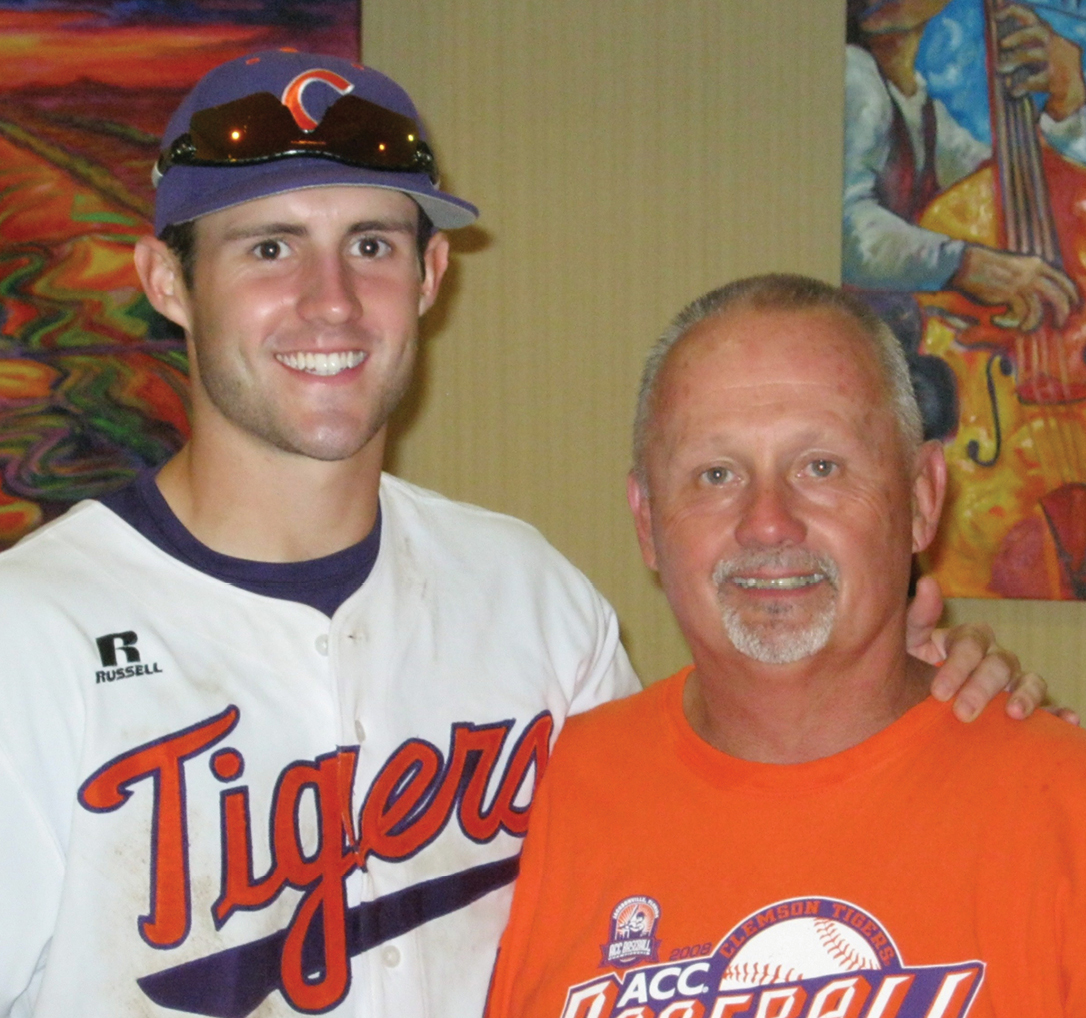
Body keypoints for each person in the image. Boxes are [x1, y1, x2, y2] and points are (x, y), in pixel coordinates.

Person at [0, 50, 1052, 1018]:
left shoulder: (530, 595)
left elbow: (690, 848)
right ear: (166, 280)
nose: (331, 301)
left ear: (430, 277)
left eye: (371, 244)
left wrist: (915, 696)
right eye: (269, 246)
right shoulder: (32, 634)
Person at [484, 275, 1086, 1018]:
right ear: (646, 522)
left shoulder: (1061, 805)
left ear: (923, 498)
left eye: (821, 467)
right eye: (716, 474)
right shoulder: (566, 782)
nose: (768, 523)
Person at [843, 0, 1084, 331]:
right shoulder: (854, 74)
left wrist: (1068, 102)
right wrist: (965, 264)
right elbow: (846, 228)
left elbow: (1001, 178)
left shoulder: (923, 109)